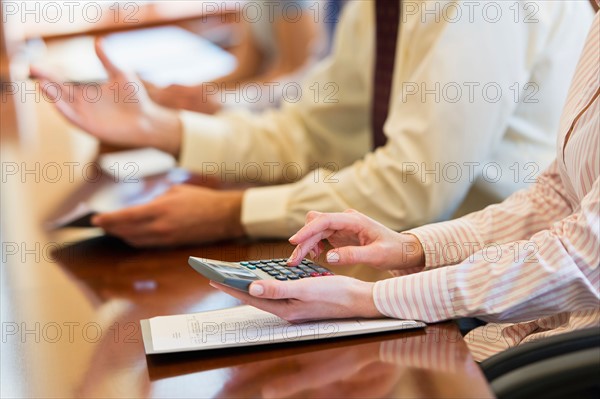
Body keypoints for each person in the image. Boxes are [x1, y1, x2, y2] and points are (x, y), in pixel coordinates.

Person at [32, 1, 594, 247]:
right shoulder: (377, 7)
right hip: (404, 251)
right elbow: (310, 132)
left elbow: (413, 189)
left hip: (488, 275)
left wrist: (230, 213)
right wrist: (165, 129)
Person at [211, 12, 600, 362]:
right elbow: (557, 197)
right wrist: (411, 249)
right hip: (511, 315)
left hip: (553, 344)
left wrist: (372, 300)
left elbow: (582, 257)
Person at [144, 0, 325, 114]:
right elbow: (245, 69)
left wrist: (223, 100)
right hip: (261, 96)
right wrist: (181, 93)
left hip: (288, 105)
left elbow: (294, 75)